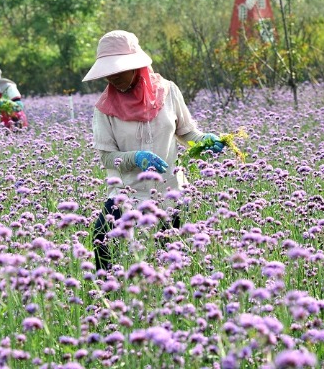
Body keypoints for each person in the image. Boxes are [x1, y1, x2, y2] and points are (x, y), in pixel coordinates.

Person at [82, 30, 225, 271]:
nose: (112, 77)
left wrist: (205, 141)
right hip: (128, 193)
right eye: (107, 72)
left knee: (170, 258)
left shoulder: (169, 92)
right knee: (102, 239)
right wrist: (136, 158)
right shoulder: (104, 108)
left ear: (136, 65)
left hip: (169, 191)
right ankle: (105, 300)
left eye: (118, 69)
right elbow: (107, 158)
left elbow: (186, 132)